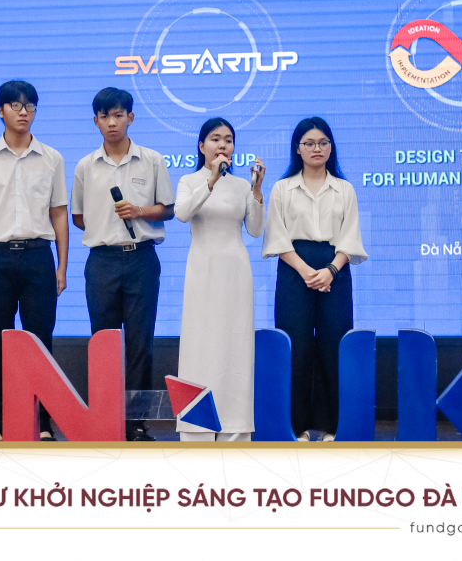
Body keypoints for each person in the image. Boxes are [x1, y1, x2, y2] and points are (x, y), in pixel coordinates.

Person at [0, 80, 69, 442]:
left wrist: (61, 266)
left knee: (41, 343)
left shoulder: (52, 158)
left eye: (30, 106)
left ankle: (43, 423)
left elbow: (59, 215)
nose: (24, 112)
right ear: (0, 111)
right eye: (16, 105)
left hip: (39, 258)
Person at [71, 87, 175, 441]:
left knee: (140, 343)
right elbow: (79, 217)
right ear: (96, 121)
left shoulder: (152, 160)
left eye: (118, 115)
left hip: (141, 259)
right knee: (103, 342)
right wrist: (105, 230)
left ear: (130, 117)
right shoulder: (85, 166)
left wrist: (139, 211)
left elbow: (168, 209)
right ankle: (104, 420)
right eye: (105, 116)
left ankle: (136, 424)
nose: (112, 122)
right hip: (101, 261)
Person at [261, 117, 367, 442]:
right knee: (296, 348)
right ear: (298, 148)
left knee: (335, 347)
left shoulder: (344, 189)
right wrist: (306, 271)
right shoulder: (282, 188)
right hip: (294, 270)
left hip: (335, 269)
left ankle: (335, 427)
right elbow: (277, 238)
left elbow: (350, 238)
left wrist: (330, 270)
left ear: (331, 147)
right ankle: (297, 428)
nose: (316, 148)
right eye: (309, 143)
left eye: (323, 142)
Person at [173, 118, 265, 442]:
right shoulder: (189, 180)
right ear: (202, 146)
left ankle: (235, 428)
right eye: (215, 138)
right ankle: (196, 429)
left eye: (228, 139)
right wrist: (211, 181)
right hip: (202, 271)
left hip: (236, 273)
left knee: (235, 347)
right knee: (200, 347)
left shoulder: (241, 185)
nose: (223, 144)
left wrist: (256, 190)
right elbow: (182, 213)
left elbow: (255, 229)